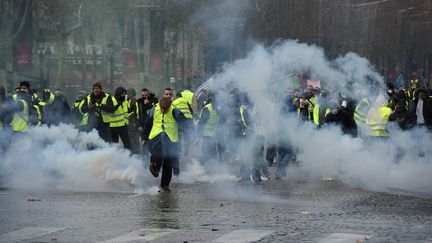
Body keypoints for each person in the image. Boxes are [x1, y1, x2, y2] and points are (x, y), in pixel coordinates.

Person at [142, 97, 187, 192]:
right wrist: (144, 138)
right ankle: (154, 167)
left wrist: (187, 131)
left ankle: (165, 185)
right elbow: (147, 125)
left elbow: (184, 123)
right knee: (157, 155)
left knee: (168, 162)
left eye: (165, 109)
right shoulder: (153, 111)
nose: (163, 110)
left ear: (169, 106)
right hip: (156, 137)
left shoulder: (175, 111)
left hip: (170, 139)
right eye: (161, 108)